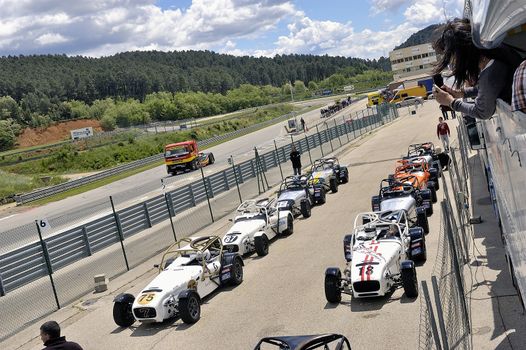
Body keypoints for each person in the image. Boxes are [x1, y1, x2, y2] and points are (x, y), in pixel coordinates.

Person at [432, 18, 522, 120]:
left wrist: (450, 102)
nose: (453, 63)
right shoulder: (494, 54)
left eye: (452, 57)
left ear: (461, 53)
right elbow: (488, 89)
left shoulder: (490, 74)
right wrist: (462, 93)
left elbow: (482, 112)